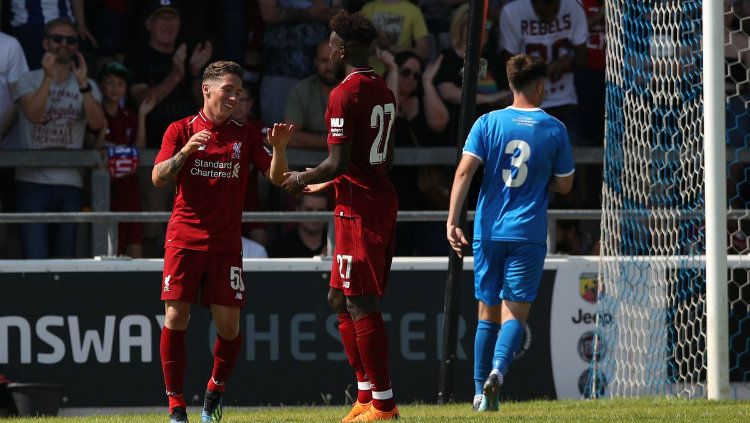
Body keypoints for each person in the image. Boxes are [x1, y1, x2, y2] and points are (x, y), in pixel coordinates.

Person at [152, 60, 292, 423]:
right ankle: (176, 407)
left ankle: (213, 395)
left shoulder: (244, 135)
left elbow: (276, 178)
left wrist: (278, 149)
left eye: (238, 91)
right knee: (174, 316)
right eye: (228, 90)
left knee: (229, 327)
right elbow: (157, 177)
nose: (234, 97)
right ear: (207, 90)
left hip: (225, 244)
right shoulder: (180, 129)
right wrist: (185, 153)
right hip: (184, 238)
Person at [281, 11, 400, 421]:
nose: (328, 49)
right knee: (338, 298)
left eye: (331, 43)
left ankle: (383, 406)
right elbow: (374, 158)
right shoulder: (383, 88)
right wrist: (329, 183)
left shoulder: (342, 93)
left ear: (344, 48)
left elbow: (336, 161)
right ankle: (365, 395)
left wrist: (302, 178)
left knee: (361, 302)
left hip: (360, 211)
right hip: (369, 199)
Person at [445, 54, 574, 412]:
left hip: (488, 230)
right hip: (528, 232)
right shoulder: (554, 129)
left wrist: (452, 221)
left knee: (486, 311)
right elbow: (565, 185)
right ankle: (498, 373)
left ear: (510, 84)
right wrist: (542, 175)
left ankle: (477, 395)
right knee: (514, 313)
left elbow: (463, 173)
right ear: (540, 85)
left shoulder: (488, 122)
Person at [125, 0, 213, 257]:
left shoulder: (189, 58)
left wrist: (196, 74)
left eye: (172, 18)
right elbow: (144, 101)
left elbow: (206, 108)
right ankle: (155, 280)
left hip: (193, 154)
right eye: (161, 18)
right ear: (149, 24)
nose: (168, 24)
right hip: (155, 154)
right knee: (153, 226)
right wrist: (176, 74)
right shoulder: (139, 57)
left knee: (192, 221)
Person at [13, 17, 106, 259]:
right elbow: (33, 114)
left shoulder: (87, 84)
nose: (63, 44)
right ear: (45, 43)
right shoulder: (27, 79)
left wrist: (83, 84)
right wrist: (48, 78)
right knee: (35, 258)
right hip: (31, 182)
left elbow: (97, 123)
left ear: (76, 46)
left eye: (71, 40)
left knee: (66, 259)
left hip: (71, 183)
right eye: (57, 39)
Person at [91, 62, 156, 258]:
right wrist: (102, 129)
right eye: (109, 83)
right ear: (100, 86)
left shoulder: (130, 116)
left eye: (120, 83)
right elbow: (91, 151)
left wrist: (143, 116)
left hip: (130, 193)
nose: (115, 88)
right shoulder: (94, 114)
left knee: (136, 252)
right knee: (110, 254)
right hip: (105, 196)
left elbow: (140, 150)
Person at [499, 0, 588, 140]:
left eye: (554, 11)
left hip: (565, 100)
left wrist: (569, 63)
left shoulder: (573, 7)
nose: (551, 19)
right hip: (527, 103)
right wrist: (544, 70)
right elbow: (510, 67)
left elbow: (582, 58)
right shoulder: (513, 12)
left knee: (568, 155)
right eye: (545, 12)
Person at [284, 40, 339, 150]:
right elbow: (289, 135)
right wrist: (335, 142)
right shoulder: (302, 89)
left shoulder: (354, 88)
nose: (330, 67)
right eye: (324, 61)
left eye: (335, 61)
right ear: (315, 62)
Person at [268, 192, 328, 257]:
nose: (315, 215)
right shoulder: (282, 244)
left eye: (320, 210)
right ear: (298, 210)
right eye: (309, 210)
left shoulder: (336, 242)